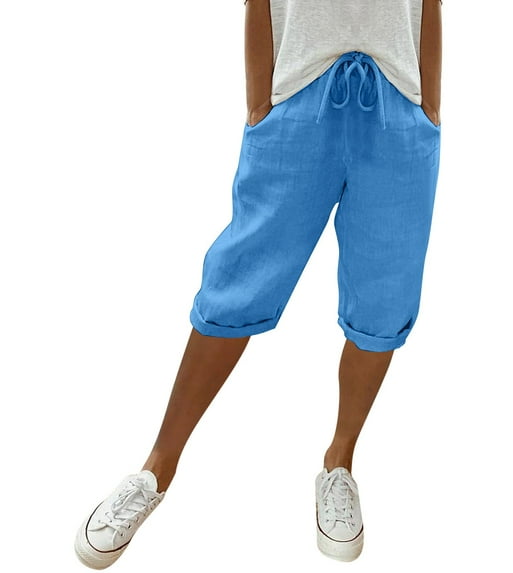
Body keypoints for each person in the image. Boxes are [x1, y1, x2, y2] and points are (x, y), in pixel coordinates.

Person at [74, 0, 443, 566]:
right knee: (237, 285)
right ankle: (157, 468)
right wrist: (258, 105)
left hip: (399, 108)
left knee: (384, 302)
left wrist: (429, 109)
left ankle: (339, 463)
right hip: (297, 95)